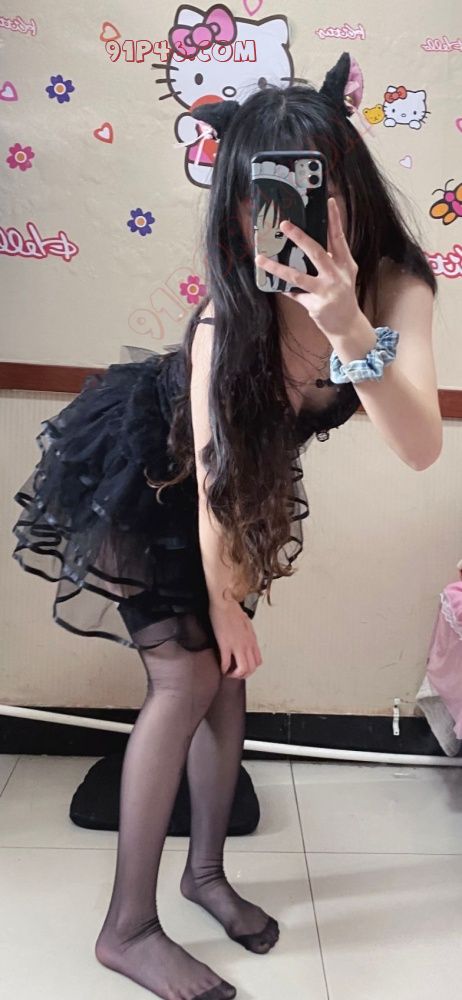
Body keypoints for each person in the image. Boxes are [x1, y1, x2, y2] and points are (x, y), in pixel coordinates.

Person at [11, 51, 439, 1000]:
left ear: (349, 183)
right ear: (235, 208)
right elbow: (209, 476)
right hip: (148, 476)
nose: (279, 216)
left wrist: (347, 325)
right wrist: (224, 602)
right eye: (255, 196)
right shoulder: (229, 315)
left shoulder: (396, 286)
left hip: (236, 489)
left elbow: (418, 447)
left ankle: (204, 877)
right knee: (191, 674)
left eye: (308, 183)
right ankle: (126, 929)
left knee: (229, 676)